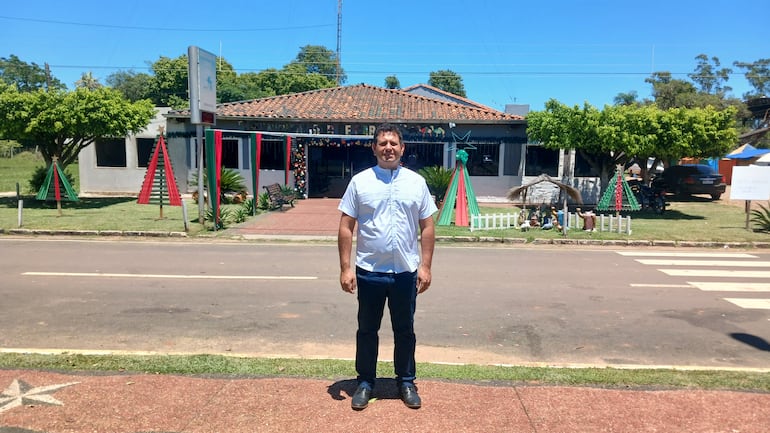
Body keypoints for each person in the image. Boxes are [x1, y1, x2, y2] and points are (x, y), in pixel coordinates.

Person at [337, 122, 438, 410]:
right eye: (383, 143)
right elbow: (346, 227)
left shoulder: (416, 183)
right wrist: (346, 268)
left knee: (405, 330)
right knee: (367, 329)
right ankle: (365, 382)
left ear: (402, 148)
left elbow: (427, 227)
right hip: (369, 271)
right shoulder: (360, 182)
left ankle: (406, 381)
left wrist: (426, 266)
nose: (388, 148)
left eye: (393, 143)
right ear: (374, 148)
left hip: (405, 272)